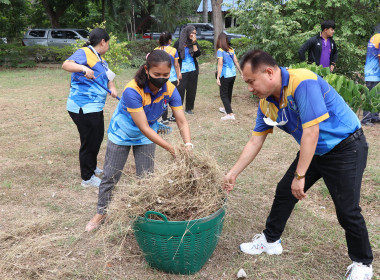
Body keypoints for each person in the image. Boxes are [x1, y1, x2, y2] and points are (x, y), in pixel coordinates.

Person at [223, 50, 373, 280]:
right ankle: (271, 240)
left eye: (251, 81)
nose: (250, 88)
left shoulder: (302, 82)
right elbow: (255, 140)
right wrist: (233, 173)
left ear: (270, 72)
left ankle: (363, 263)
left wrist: (300, 176)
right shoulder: (266, 103)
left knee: (347, 209)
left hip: (346, 147)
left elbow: (311, 131)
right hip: (314, 149)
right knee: (284, 191)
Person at [85, 50, 193, 232]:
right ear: (146, 70)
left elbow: (181, 120)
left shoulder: (171, 90)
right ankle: (101, 212)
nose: (161, 78)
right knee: (111, 176)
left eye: (166, 75)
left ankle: (145, 212)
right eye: (156, 74)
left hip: (147, 136)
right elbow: (143, 126)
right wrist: (171, 148)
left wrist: (188, 145)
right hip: (123, 133)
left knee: (146, 178)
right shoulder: (132, 90)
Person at [62, 28, 118, 188]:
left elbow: (108, 75)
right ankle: (87, 178)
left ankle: (92, 167)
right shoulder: (85, 52)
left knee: (97, 137)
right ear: (103, 42)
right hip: (83, 107)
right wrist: (83, 68)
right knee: (89, 140)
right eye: (108, 43)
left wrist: (112, 87)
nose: (108, 46)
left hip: (94, 107)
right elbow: (66, 64)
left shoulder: (99, 58)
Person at [155, 31, 182, 124]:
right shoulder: (173, 50)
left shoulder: (156, 50)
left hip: (161, 78)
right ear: (170, 40)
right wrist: (178, 76)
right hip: (172, 77)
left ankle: (164, 118)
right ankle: (174, 116)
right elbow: (176, 65)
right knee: (173, 97)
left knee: (164, 98)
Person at [173, 25, 201, 115]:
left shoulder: (193, 43)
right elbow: (174, 57)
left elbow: (197, 54)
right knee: (180, 90)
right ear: (187, 32)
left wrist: (194, 42)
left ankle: (189, 108)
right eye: (192, 33)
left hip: (193, 70)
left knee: (191, 90)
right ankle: (178, 109)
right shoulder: (178, 43)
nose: (193, 35)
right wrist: (177, 71)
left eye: (195, 33)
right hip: (182, 71)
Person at [215, 32, 243, 120]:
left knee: (223, 94)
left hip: (225, 75)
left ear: (219, 40)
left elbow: (220, 64)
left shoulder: (220, 51)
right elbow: (236, 62)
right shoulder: (231, 49)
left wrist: (218, 77)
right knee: (228, 92)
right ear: (226, 40)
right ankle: (226, 108)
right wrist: (241, 73)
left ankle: (230, 114)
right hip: (233, 74)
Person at [362, 31, 380, 126]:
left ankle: (374, 117)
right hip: (373, 72)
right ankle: (366, 119)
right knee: (370, 96)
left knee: (376, 95)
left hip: (371, 72)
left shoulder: (375, 37)